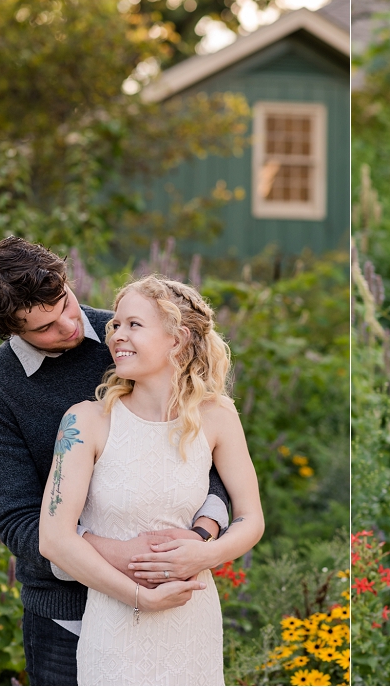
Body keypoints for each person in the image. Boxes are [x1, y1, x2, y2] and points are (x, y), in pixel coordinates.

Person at [0, 237, 234, 685]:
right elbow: (17, 521)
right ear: (11, 330)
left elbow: (211, 450)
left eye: (66, 302)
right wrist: (126, 559)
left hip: (176, 602)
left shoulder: (132, 338)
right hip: (65, 619)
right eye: (46, 326)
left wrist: (197, 540)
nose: (70, 325)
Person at [36, 274, 265, 684]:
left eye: (134, 325)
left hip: (192, 622)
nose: (117, 336)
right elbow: (54, 538)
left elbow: (250, 518)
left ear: (176, 340)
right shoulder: (86, 421)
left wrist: (205, 555)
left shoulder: (218, 417)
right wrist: (141, 597)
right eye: (116, 325)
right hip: (115, 627)